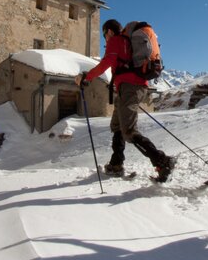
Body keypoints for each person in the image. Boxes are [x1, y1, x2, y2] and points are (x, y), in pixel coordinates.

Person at [75, 19, 176, 182]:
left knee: (129, 131)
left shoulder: (116, 41)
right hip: (130, 88)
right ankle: (116, 164)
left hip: (130, 88)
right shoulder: (126, 42)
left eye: (104, 35)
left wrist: (86, 77)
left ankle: (163, 161)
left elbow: (106, 63)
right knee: (116, 126)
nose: (105, 39)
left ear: (108, 31)